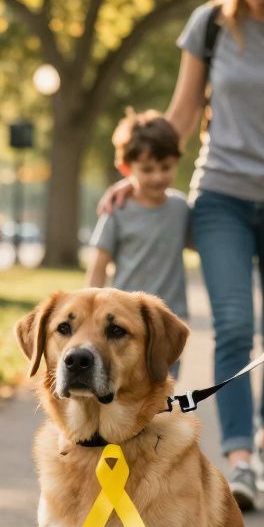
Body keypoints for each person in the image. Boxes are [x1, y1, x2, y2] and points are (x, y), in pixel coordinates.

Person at [98, 0, 264, 512]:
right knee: (234, 326)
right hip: (221, 198)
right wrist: (140, 178)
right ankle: (240, 461)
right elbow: (183, 112)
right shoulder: (210, 24)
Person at [86, 110, 190, 378]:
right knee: (119, 384)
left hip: (168, 321)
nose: (158, 177)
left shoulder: (180, 208)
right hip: (122, 323)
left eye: (165, 167)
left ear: (177, 161)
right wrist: (90, 315)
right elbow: (99, 265)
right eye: (147, 169)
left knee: (162, 386)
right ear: (126, 168)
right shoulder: (117, 210)